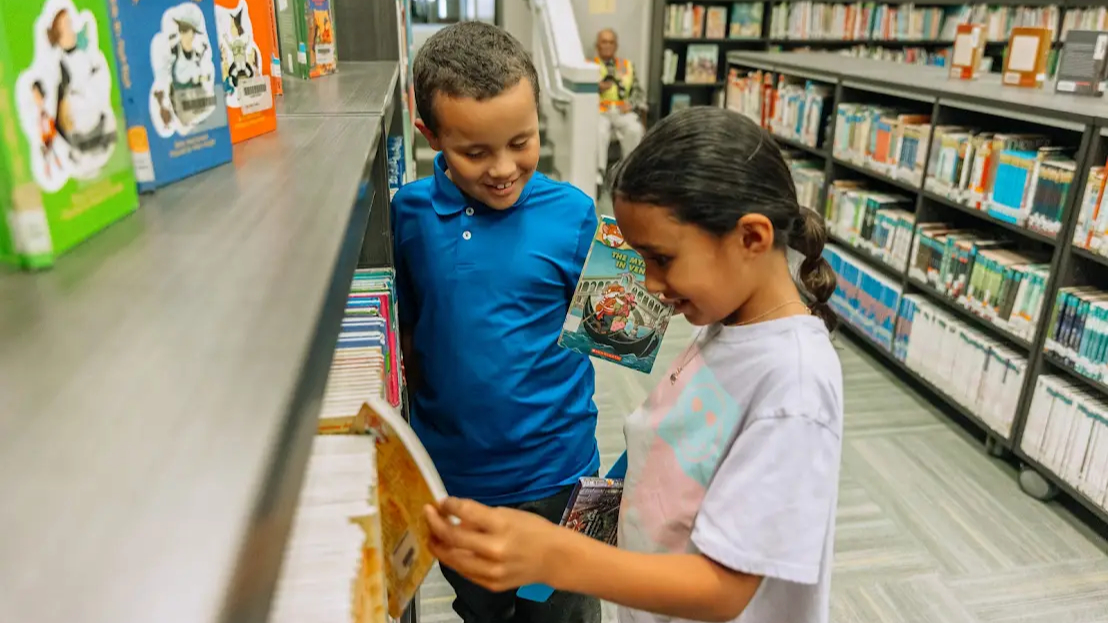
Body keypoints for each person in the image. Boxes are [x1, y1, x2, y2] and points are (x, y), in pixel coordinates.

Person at [424, 107, 845, 623]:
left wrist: (553, 556)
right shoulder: (727, 324)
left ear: (751, 239)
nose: (647, 284)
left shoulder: (794, 390)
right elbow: (674, 450)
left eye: (661, 260)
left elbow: (723, 590)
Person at [391, 21, 602, 623]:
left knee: (568, 615)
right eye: (475, 152)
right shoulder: (407, 216)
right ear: (430, 135)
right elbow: (406, 335)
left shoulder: (577, 212)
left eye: (522, 141)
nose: (504, 168)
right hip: (458, 483)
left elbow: (626, 340)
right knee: (483, 611)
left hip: (564, 473)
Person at [595, 28, 645, 185]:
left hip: (623, 112)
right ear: (597, 45)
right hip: (600, 112)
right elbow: (582, 96)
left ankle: (629, 172)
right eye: (604, 42)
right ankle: (598, 174)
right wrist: (596, 87)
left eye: (611, 42)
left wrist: (631, 104)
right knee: (599, 131)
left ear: (616, 46)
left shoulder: (627, 65)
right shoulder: (589, 67)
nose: (608, 45)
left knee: (635, 129)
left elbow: (639, 92)